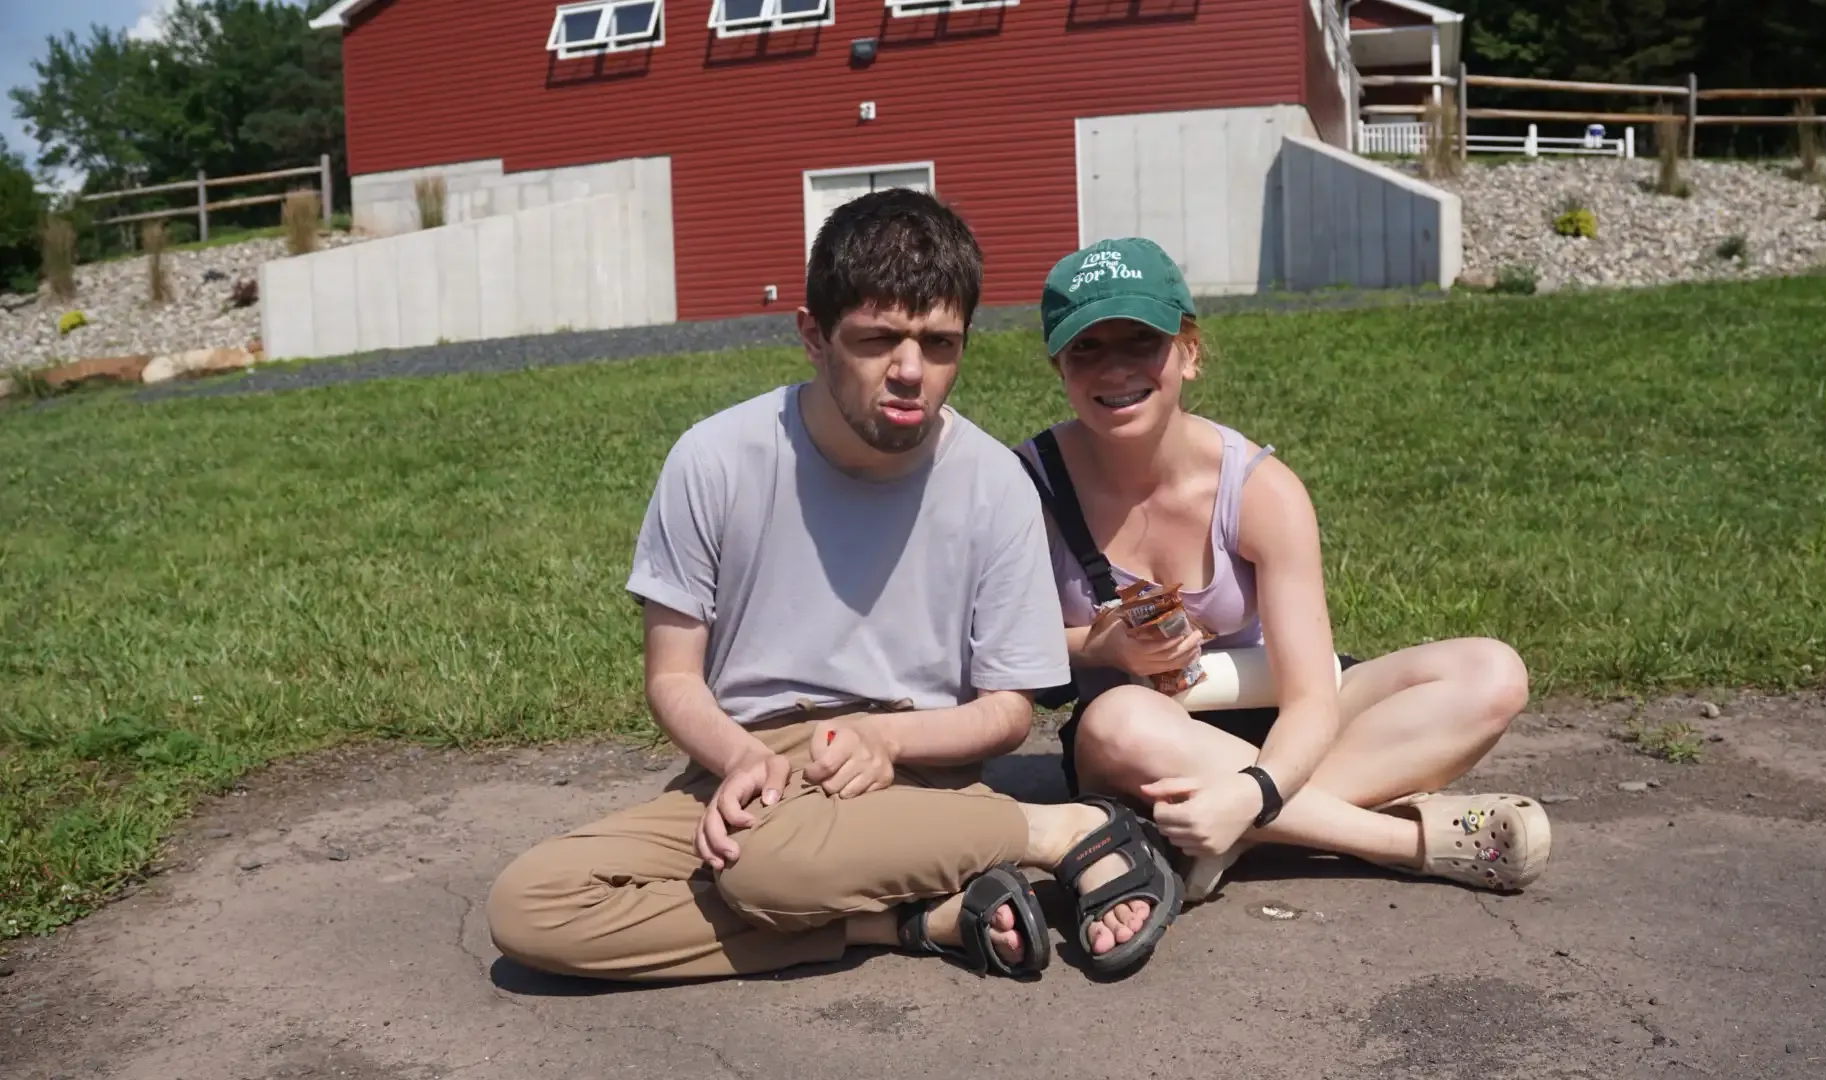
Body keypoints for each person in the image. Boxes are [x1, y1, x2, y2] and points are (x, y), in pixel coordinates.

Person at [484, 192, 1185, 984]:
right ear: (814, 337)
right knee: (532, 906)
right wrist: (739, 757)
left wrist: (886, 741)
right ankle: (909, 915)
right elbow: (673, 675)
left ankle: (1058, 831)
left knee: (758, 870)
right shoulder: (714, 459)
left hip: (913, 769)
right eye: (878, 340)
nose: (911, 372)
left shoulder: (995, 485)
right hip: (750, 765)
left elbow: (1007, 710)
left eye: (939, 344)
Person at [1012, 236, 1552, 905]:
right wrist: (1100, 646)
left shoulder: (1261, 490)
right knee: (1118, 718)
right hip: (1142, 747)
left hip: (1276, 722)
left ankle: (1231, 833)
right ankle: (1406, 843)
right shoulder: (1025, 489)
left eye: (1140, 343)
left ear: (1189, 352)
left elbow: (1309, 698)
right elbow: (987, 655)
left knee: (1491, 672)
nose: (1114, 370)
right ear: (1058, 367)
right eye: (1086, 348)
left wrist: (1251, 793)